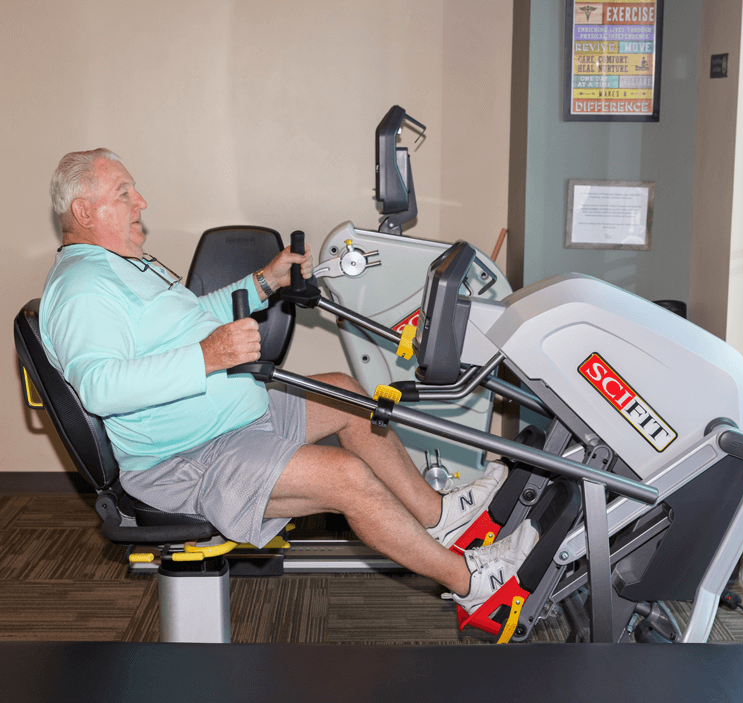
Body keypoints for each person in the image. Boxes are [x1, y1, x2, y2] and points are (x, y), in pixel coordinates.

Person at [40, 148, 538, 618]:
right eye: (124, 193)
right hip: (185, 458)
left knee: (347, 394)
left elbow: (196, 316)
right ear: (83, 211)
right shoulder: (82, 289)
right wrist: (208, 357)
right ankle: (473, 585)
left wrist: (263, 282)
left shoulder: (124, 267)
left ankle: (438, 517)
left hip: (230, 418)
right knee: (348, 477)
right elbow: (100, 388)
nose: (140, 202)